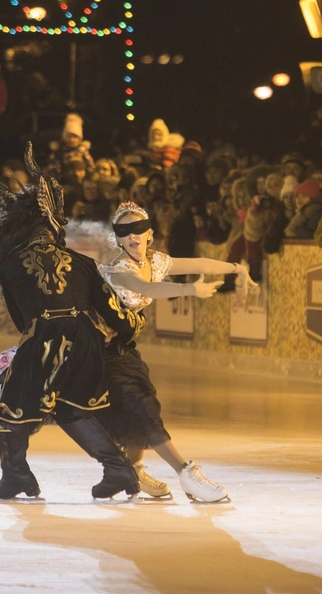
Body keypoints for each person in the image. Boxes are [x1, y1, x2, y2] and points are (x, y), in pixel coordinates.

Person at [0, 142, 147, 502]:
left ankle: (16, 476)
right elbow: (118, 317)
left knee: (8, 404)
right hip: (83, 339)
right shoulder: (82, 263)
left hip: (42, 334)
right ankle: (118, 470)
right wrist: (132, 328)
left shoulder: (9, 264)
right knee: (74, 407)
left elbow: (21, 318)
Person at [94, 201, 258, 502]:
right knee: (142, 408)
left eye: (139, 229)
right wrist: (188, 290)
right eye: (125, 231)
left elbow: (198, 264)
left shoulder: (156, 261)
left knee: (142, 411)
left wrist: (238, 268)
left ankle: (133, 470)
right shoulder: (118, 270)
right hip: (98, 352)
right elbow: (148, 289)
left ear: (150, 234)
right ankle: (186, 473)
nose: (133, 236)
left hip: (124, 350)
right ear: (117, 238)